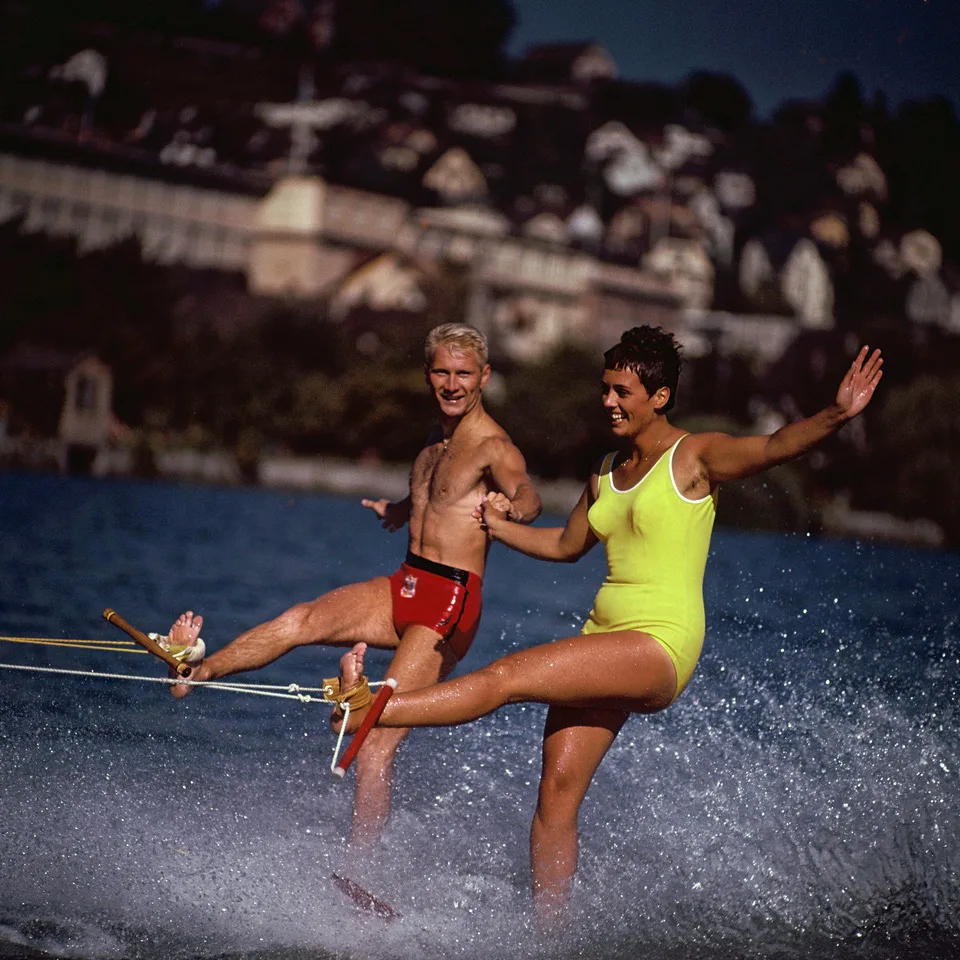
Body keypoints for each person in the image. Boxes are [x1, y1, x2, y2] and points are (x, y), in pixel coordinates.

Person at [328, 325, 883, 919]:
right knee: (555, 800)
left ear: (659, 397)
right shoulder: (606, 470)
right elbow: (568, 547)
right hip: (605, 641)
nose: (609, 401)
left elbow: (774, 445)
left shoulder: (693, 458)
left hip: (659, 644)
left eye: (623, 391)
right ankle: (551, 940)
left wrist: (835, 414)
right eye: (605, 389)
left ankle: (375, 708)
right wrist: (499, 527)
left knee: (510, 676)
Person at [165, 322, 542, 849]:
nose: (452, 384)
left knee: (376, 738)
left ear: (484, 377)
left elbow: (528, 494)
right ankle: (197, 670)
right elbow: (439, 499)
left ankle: (360, 869)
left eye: (463, 374)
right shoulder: (435, 440)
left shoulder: (494, 446)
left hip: (450, 603)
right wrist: (400, 509)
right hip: (407, 581)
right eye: (441, 372)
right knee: (302, 619)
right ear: (427, 374)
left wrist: (511, 507)